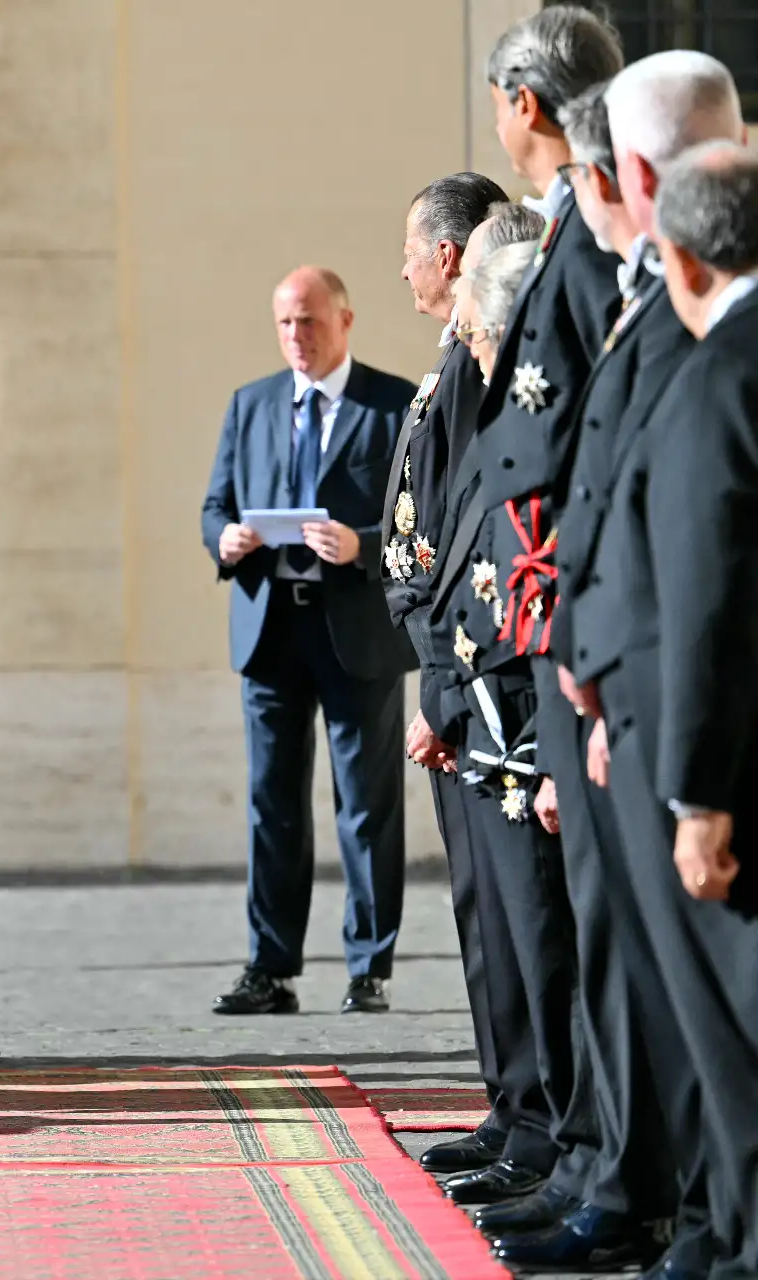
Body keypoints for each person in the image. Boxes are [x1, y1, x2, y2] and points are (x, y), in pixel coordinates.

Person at [485, 59, 743, 1270]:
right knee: (642, 955)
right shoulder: (651, 287)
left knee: (701, 980)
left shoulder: (695, 311)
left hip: (670, 689)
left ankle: (694, 1207)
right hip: (613, 675)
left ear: (629, 175)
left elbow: (697, 538)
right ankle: (671, 1196)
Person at [419, 4, 623, 1212]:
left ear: (524, 105)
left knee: (582, 937)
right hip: (533, 639)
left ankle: (605, 1167)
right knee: (556, 929)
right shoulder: (563, 238)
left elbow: (559, 461)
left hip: (568, 640)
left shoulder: (572, 248)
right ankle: (581, 1155)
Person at [580, 139, 758, 1280]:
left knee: (730, 1034)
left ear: (684, 260)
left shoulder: (712, 380)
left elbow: (706, 600)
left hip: (718, 760)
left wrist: (696, 796)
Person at [199, 266, 417, 1017]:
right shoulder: (251, 403)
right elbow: (215, 505)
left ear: (345, 321)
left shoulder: (393, 406)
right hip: (271, 630)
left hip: (355, 632)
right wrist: (224, 538)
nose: (298, 336)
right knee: (273, 804)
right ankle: (271, 968)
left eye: (311, 321)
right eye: (286, 323)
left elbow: (423, 519)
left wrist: (362, 544)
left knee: (367, 804)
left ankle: (369, 967)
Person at [381, 173, 517, 1180]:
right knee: (484, 908)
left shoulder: (480, 366)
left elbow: (473, 543)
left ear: (448, 255)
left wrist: (440, 684)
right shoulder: (450, 360)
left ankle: (536, 1116)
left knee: (513, 913)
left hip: (473, 680)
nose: (402, 270)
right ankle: (516, 1106)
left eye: (409, 251)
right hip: (446, 666)